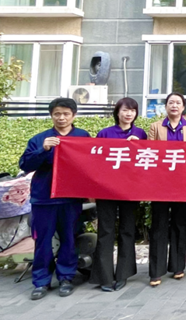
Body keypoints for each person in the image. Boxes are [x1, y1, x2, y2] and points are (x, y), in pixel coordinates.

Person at [19, 98, 91, 300]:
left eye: (66, 114)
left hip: (70, 198)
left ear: (73, 115)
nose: (61, 118)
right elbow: (25, 165)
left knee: (69, 239)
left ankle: (66, 278)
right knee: (43, 241)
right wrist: (43, 149)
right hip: (44, 198)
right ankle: (41, 281)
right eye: (57, 114)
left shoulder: (82, 137)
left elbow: (91, 164)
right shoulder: (40, 139)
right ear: (51, 115)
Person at [90, 98, 147, 292]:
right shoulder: (105, 133)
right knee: (105, 231)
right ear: (117, 112)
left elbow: (146, 161)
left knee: (127, 230)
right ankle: (104, 276)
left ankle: (123, 274)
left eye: (132, 110)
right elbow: (96, 159)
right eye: (125, 110)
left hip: (130, 189)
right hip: (106, 189)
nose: (129, 114)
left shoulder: (140, 134)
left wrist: (138, 146)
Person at [147, 92, 186, 287]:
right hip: (160, 182)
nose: (174, 106)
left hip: (183, 182)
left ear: (183, 107)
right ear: (166, 106)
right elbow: (148, 152)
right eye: (171, 102)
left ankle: (178, 267)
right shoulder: (155, 127)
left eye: (178, 103)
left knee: (179, 223)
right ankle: (156, 271)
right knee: (159, 224)